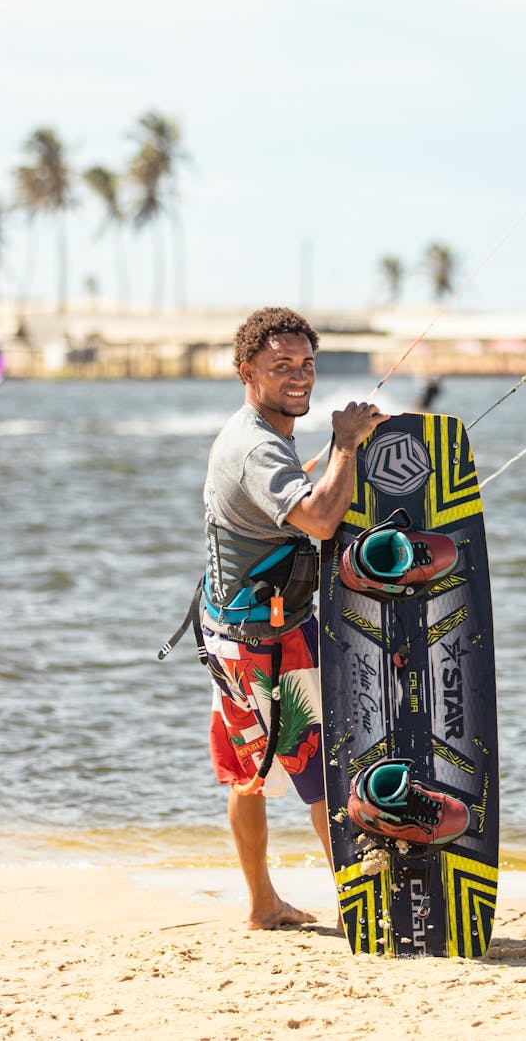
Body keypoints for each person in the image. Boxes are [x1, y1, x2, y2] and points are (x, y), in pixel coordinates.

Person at [198, 306, 388, 931]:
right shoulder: (257, 446)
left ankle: (262, 904)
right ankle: (363, 913)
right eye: (281, 365)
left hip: (231, 634)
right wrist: (347, 443)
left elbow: (277, 502)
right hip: (272, 643)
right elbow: (321, 522)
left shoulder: (252, 433)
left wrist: (329, 456)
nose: (298, 376)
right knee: (326, 777)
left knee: (251, 775)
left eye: (306, 364)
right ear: (246, 370)